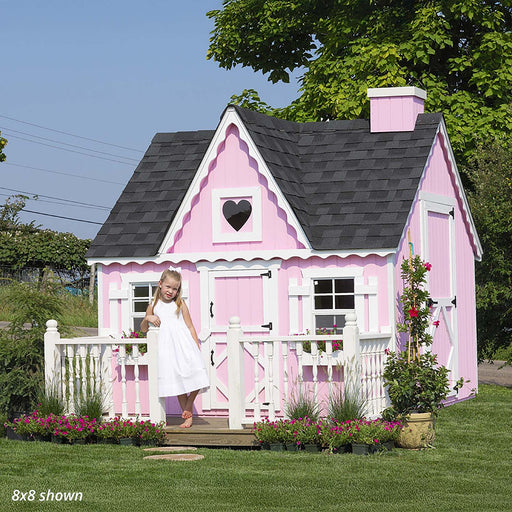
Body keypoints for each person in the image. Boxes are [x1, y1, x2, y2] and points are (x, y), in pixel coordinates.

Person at [140, 269, 209, 428]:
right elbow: (143, 329)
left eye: (175, 288)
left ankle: (189, 404)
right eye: (168, 287)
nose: (171, 291)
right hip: (168, 348)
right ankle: (188, 418)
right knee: (178, 381)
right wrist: (148, 317)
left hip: (185, 345)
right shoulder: (154, 305)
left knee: (197, 375)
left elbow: (190, 326)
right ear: (160, 284)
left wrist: (196, 346)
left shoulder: (179, 303)